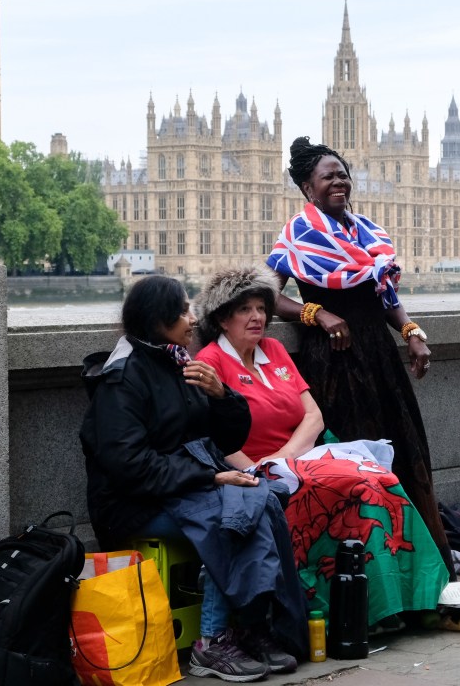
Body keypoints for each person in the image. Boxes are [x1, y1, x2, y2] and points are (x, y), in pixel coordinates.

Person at [193, 264, 450, 629]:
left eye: (262, 309)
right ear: (222, 319)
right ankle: (349, 611)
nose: (257, 317)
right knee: (355, 486)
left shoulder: (275, 350)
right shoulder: (210, 363)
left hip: (301, 456)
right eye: (245, 310)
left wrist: (285, 457)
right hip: (251, 469)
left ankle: (413, 597)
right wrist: (261, 469)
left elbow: (313, 416)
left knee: (382, 481)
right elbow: (214, 437)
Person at [80, 275, 305, 683]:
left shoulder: (180, 361)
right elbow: (130, 465)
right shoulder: (122, 377)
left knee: (264, 499)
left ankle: (253, 626)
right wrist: (214, 476)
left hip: (187, 486)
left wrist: (223, 397)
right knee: (230, 516)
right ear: (157, 319)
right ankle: (212, 641)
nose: (192, 318)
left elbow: (226, 437)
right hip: (134, 503)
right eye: (183, 311)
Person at [265, 135, 453, 576]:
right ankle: (362, 572)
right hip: (333, 361)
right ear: (308, 189)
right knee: (351, 464)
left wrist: (411, 331)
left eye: (343, 174)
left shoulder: (368, 232)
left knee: (404, 455)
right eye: (328, 176)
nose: (339, 181)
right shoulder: (298, 233)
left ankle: (418, 569)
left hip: (379, 357)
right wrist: (316, 313)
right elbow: (270, 297)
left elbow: (384, 295)